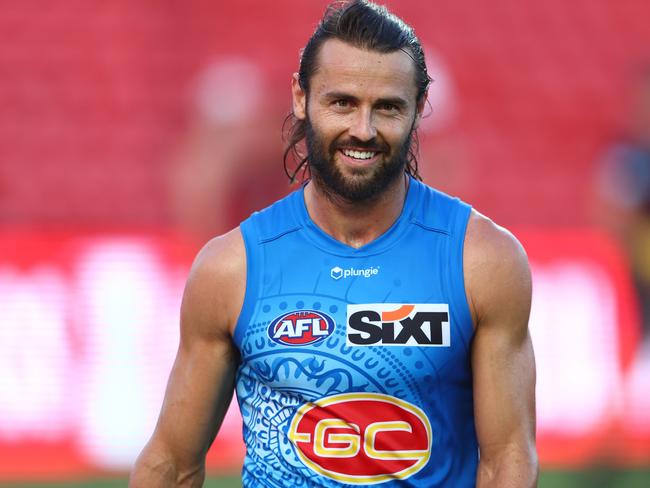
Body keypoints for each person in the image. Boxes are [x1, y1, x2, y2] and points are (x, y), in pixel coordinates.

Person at [130, 1, 537, 486]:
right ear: (301, 99)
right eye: (342, 102)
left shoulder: (482, 261)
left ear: (418, 109)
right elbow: (172, 465)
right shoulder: (231, 269)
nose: (363, 130)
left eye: (387, 107)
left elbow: (508, 460)